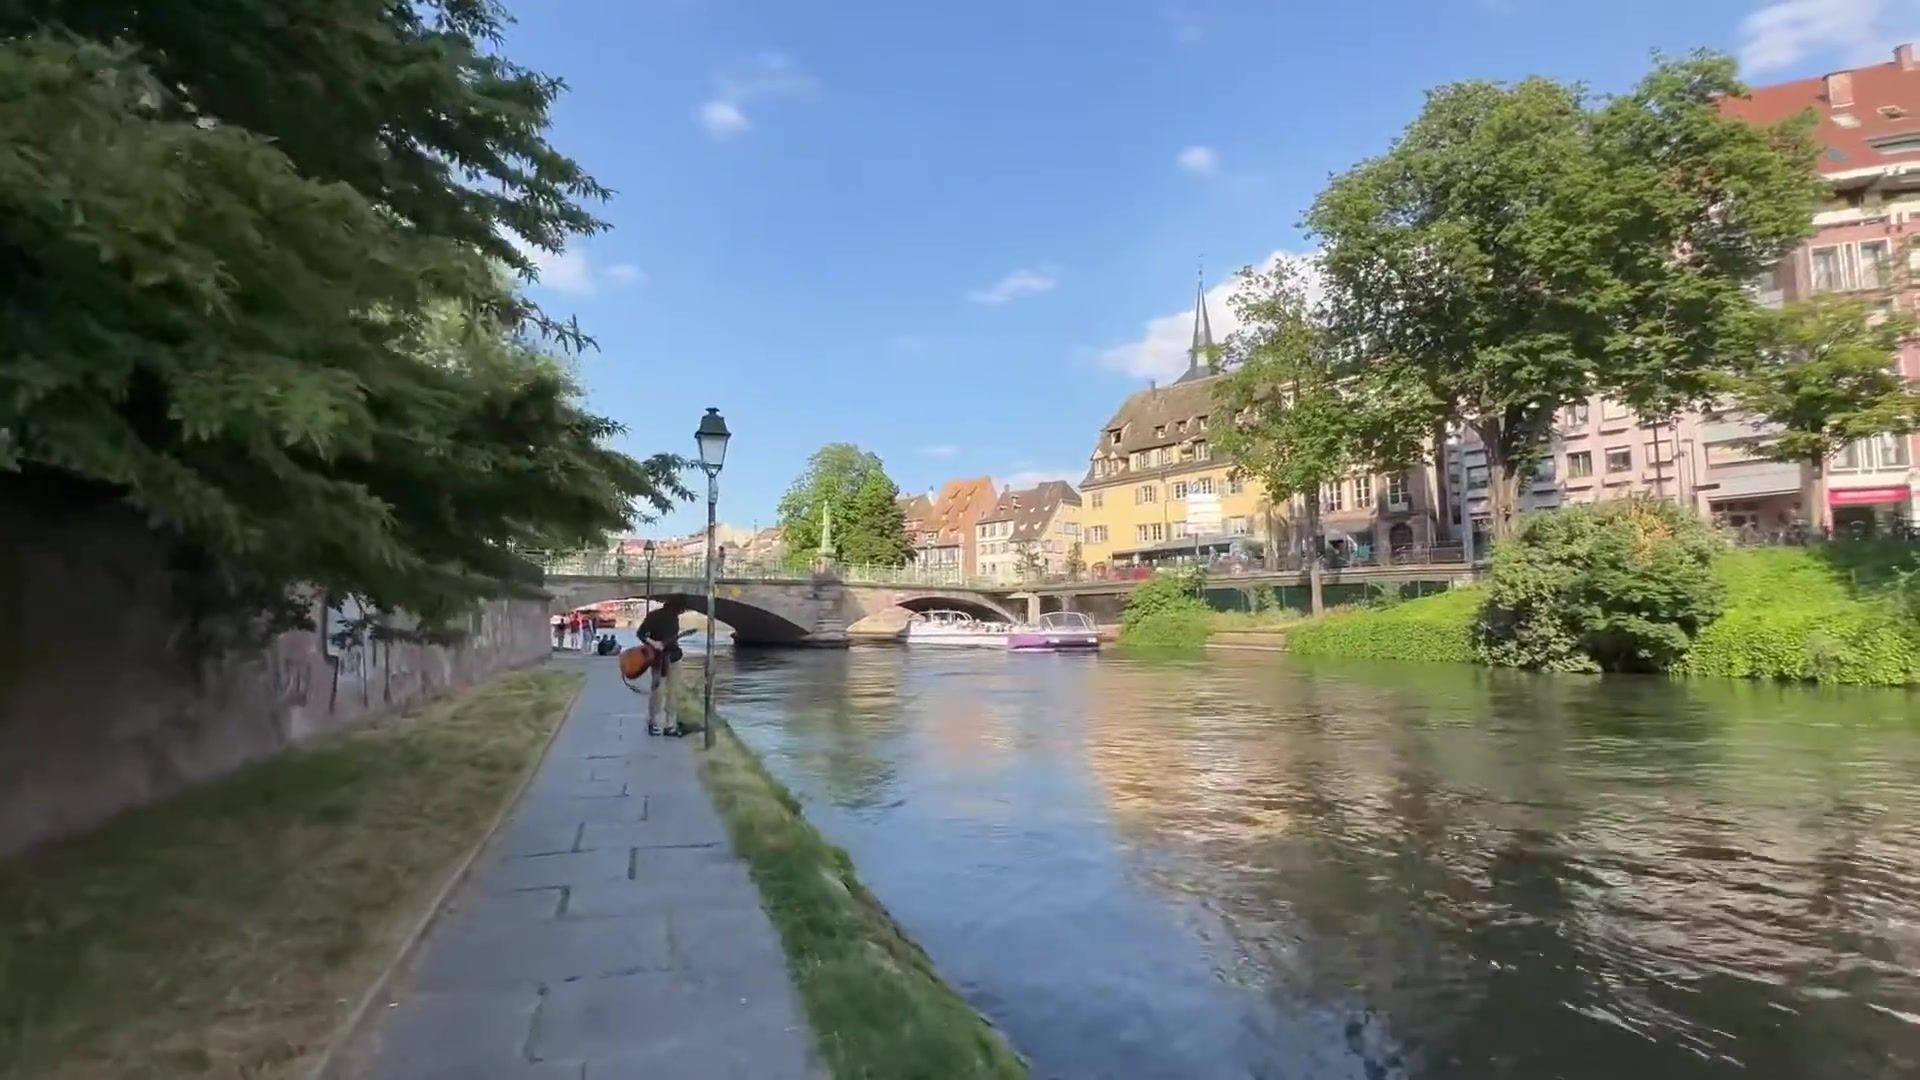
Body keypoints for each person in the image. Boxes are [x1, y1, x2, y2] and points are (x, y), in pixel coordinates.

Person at [636, 597, 693, 736]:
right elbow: (641, 633)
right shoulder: (656, 616)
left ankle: (661, 723)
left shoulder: (672, 617)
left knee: (666, 690)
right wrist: (654, 643)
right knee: (662, 690)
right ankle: (663, 723)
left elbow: (641, 634)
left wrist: (652, 642)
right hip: (661, 658)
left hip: (672, 656)